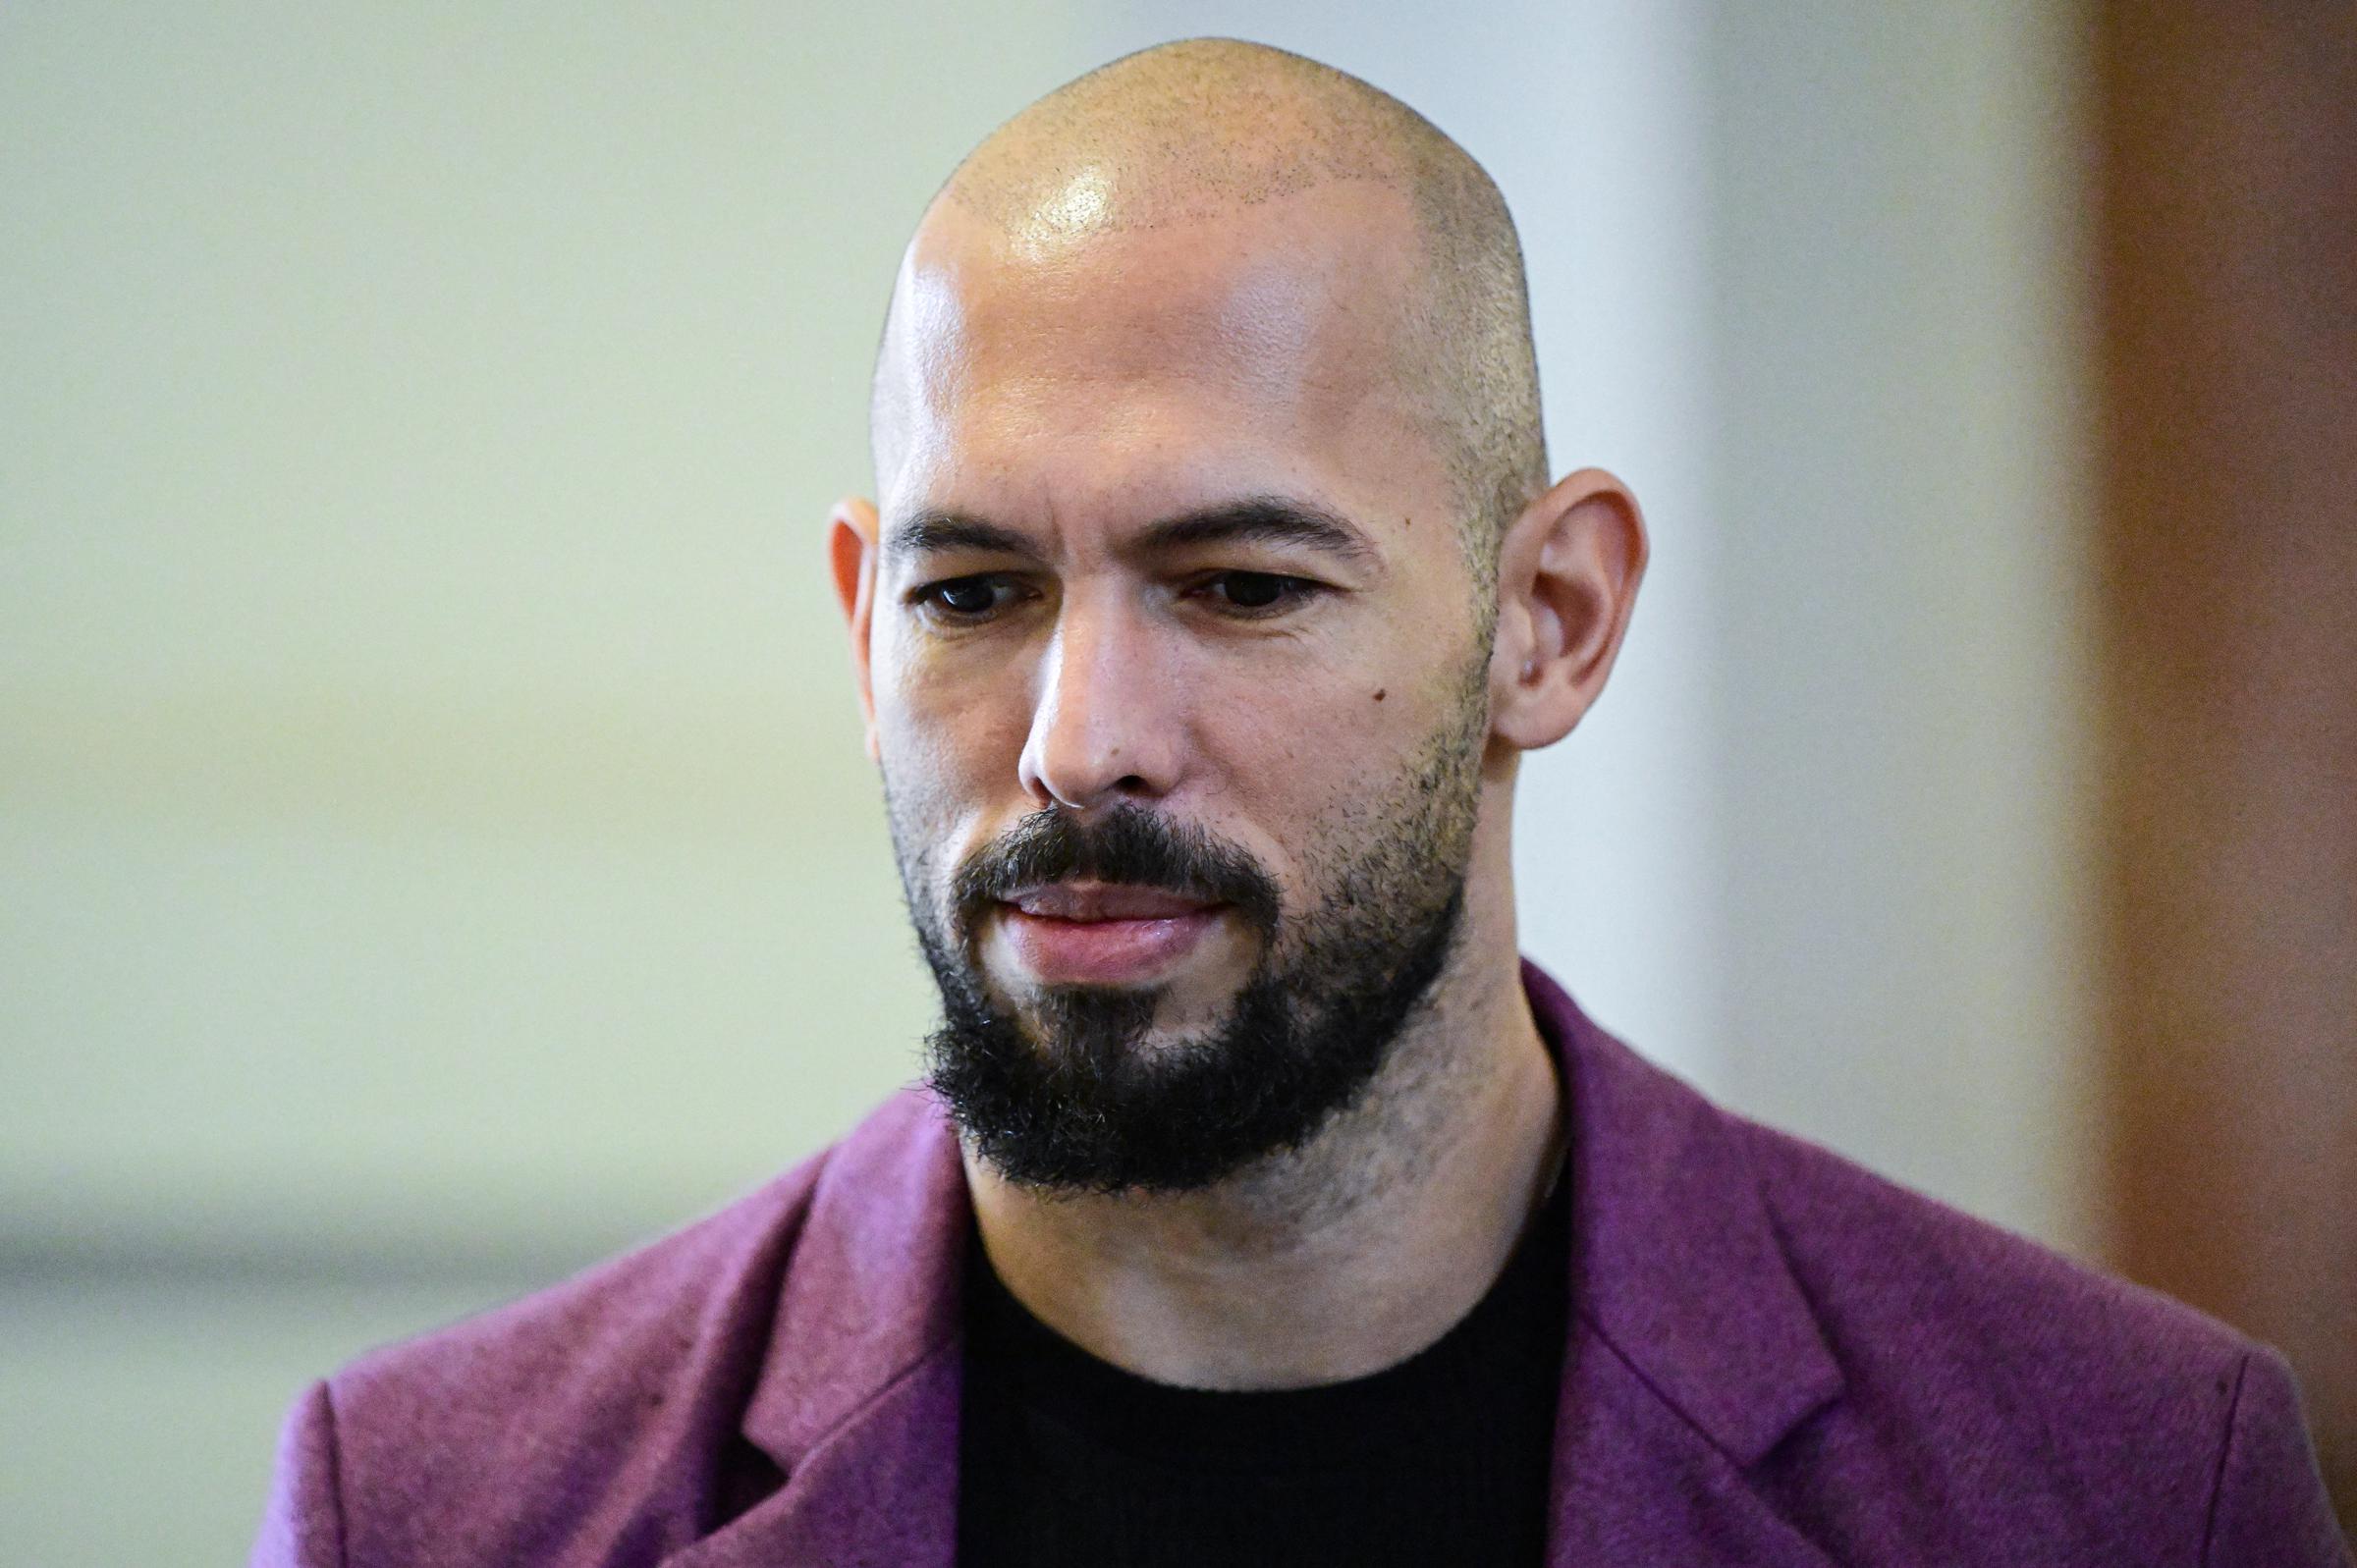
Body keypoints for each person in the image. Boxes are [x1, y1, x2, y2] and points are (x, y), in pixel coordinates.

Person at [251, 37, 2348, 1568]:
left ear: (1548, 620)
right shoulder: (444, 1508)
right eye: (970, 590)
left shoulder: (2120, 1487)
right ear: (855, 624)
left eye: (1238, 585)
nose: (1078, 738)